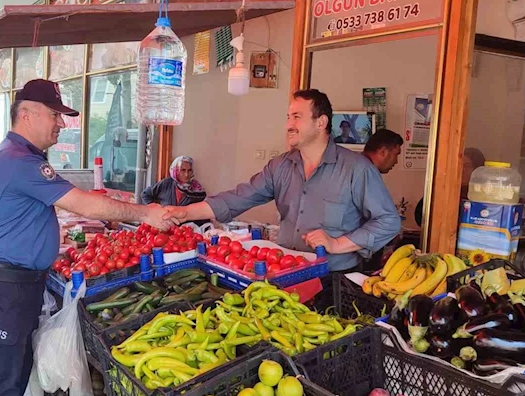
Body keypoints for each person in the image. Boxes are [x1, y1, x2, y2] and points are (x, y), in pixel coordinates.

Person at [0, 80, 173, 396]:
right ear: (27, 113)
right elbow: (88, 206)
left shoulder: (22, 158)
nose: (61, 123)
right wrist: (145, 213)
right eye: (55, 114)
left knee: (13, 378)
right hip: (2, 292)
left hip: (16, 290)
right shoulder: (21, 161)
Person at [164, 89, 401, 273]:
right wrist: (185, 213)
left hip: (334, 278)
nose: (288, 125)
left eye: (297, 117)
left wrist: (338, 244)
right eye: (288, 117)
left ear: (321, 123)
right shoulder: (280, 166)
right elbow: (238, 197)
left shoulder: (356, 169)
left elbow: (388, 221)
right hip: (287, 270)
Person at [414, 147, 485, 226]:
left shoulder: (481, 194)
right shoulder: (445, 189)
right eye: (459, 165)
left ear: (476, 169)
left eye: (467, 166)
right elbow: (421, 216)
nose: (462, 169)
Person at [142, 155, 207, 208]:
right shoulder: (166, 183)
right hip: (164, 222)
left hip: (187, 224)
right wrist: (155, 209)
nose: (186, 174)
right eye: (183, 170)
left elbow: (201, 211)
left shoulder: (197, 190)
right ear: (175, 171)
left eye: (189, 170)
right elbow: (145, 194)